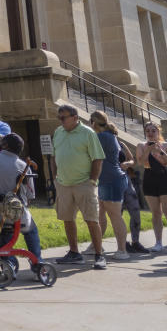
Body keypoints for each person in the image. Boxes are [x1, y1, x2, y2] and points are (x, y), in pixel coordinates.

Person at [0, 133, 46, 279]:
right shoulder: (23, 166)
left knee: (3, 233)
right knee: (31, 230)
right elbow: (29, 197)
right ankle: (37, 264)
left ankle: (10, 264)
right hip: (15, 212)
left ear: (5, 145)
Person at [52, 105, 107, 269]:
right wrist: (55, 178)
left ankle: (99, 255)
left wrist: (92, 180)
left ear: (75, 117)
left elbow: (98, 158)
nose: (61, 121)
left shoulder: (88, 133)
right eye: (59, 118)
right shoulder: (58, 132)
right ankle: (74, 253)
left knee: (91, 219)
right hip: (63, 184)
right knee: (67, 219)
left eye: (64, 117)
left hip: (84, 183)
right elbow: (54, 156)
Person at [90, 112, 131, 260]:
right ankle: (96, 245)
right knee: (99, 213)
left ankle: (122, 250)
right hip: (108, 180)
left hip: (111, 180)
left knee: (115, 216)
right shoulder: (109, 135)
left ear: (93, 123)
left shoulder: (102, 137)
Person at [137, 122, 167, 253]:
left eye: (153, 131)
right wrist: (148, 150)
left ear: (158, 132)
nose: (150, 133)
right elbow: (140, 162)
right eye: (148, 131)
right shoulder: (141, 145)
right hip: (149, 179)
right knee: (156, 213)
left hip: (164, 178)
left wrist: (161, 152)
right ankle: (158, 242)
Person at [120, 146, 148, 253]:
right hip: (112, 181)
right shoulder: (100, 140)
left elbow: (132, 160)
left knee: (135, 211)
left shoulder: (120, 143)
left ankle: (135, 242)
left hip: (126, 179)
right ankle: (123, 243)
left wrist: (128, 163)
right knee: (118, 215)